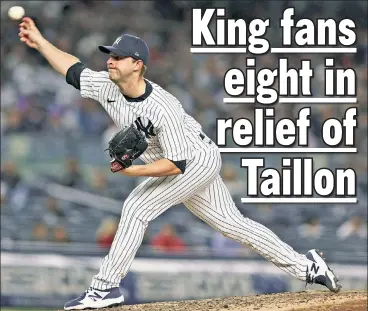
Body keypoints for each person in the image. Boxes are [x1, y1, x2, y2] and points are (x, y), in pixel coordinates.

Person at [18, 17, 341, 311]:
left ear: (138, 65)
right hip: (185, 160)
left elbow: (176, 165)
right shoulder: (107, 86)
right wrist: (40, 41)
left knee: (136, 208)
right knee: (234, 225)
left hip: (193, 161)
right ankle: (307, 266)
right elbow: (73, 70)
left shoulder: (163, 106)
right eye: (110, 55)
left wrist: (134, 171)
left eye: (117, 57)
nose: (110, 61)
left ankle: (105, 288)